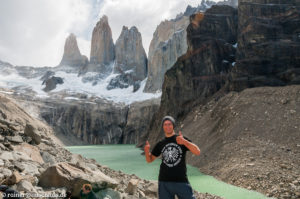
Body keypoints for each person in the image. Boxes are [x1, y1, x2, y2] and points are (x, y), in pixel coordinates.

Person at [144, 116, 201, 199]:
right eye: (165, 124)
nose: (167, 126)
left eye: (169, 124)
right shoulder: (160, 143)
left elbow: (197, 151)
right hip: (164, 182)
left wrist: (184, 142)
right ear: (163, 127)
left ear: (173, 125)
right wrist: (146, 151)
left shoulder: (181, 139)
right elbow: (149, 160)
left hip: (181, 181)